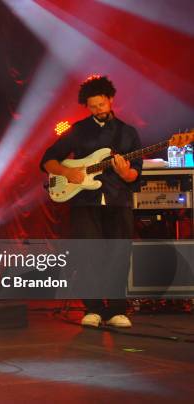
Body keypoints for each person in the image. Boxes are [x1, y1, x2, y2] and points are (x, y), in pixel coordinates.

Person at [40, 75, 142, 328]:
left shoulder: (128, 133)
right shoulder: (78, 130)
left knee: (119, 255)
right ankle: (93, 309)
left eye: (102, 104)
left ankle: (118, 309)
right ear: (87, 106)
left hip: (118, 201)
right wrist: (67, 172)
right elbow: (48, 160)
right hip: (85, 201)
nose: (98, 109)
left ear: (110, 100)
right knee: (88, 256)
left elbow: (135, 175)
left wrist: (123, 172)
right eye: (93, 106)